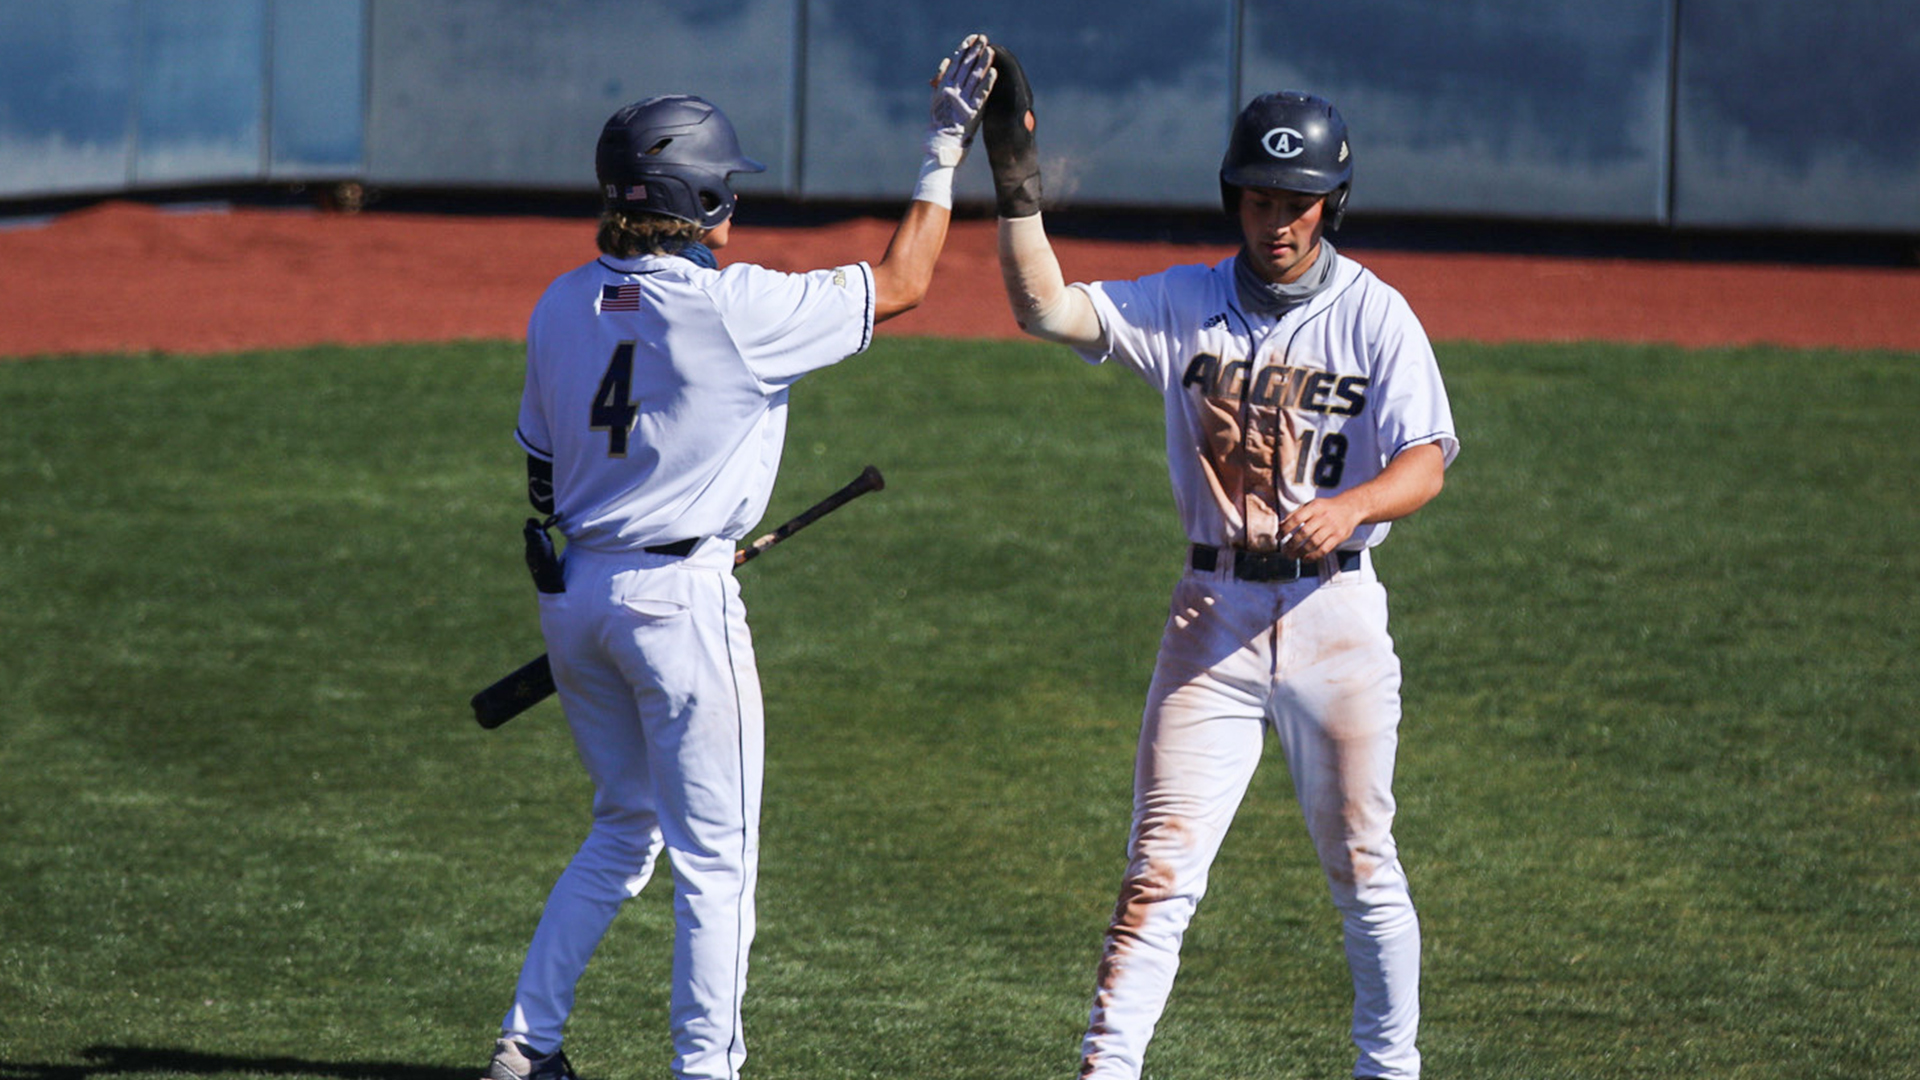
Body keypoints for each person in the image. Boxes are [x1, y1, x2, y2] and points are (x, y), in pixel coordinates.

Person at [482, 36, 997, 1080]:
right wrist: (945, 144)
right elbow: (903, 282)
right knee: (718, 858)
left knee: (626, 827)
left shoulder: (555, 303)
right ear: (705, 201)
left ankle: (527, 1045)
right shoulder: (733, 309)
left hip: (576, 595)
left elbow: (541, 476)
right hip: (678, 604)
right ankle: (704, 1071)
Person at [979, 50, 1457, 1080]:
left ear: (1330, 205)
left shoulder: (1377, 314)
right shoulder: (1185, 301)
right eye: (1257, 198)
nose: (1275, 221)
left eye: (1297, 202)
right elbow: (1047, 310)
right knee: (1157, 872)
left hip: (1338, 621)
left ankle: (1393, 1068)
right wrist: (1018, 195)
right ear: (1232, 198)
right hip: (1212, 617)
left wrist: (1352, 508)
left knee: (1364, 867)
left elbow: (1427, 462)